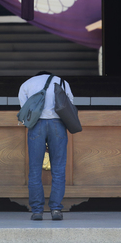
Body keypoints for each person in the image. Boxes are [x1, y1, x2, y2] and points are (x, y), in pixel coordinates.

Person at [18, 72, 74, 221]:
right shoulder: (62, 82)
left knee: (35, 170)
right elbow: (70, 104)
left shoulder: (28, 83)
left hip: (36, 125)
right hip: (58, 125)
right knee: (59, 169)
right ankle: (55, 209)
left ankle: (37, 211)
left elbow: (24, 108)